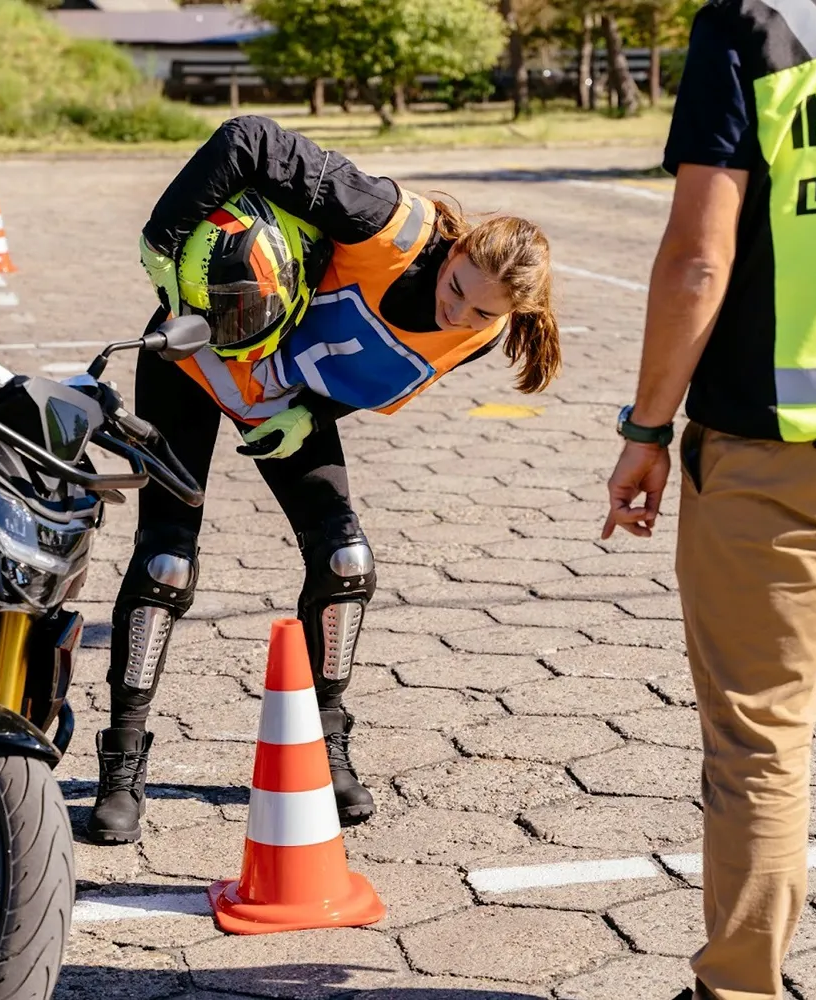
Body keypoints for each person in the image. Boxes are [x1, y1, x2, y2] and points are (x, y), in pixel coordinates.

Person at [87, 114, 562, 844]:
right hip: (194, 351)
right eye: (460, 285)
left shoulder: (478, 332)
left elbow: (363, 365)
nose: (458, 309)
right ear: (457, 248)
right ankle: (122, 764)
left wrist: (307, 414)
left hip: (279, 397)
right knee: (165, 561)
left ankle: (324, 746)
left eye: (482, 308)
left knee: (346, 562)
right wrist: (164, 237)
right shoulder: (384, 221)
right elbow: (247, 139)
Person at [602, 2, 816, 998]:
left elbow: (696, 258)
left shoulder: (753, 23)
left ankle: (740, 988)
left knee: (758, 737)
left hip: (773, 441)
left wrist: (644, 430)